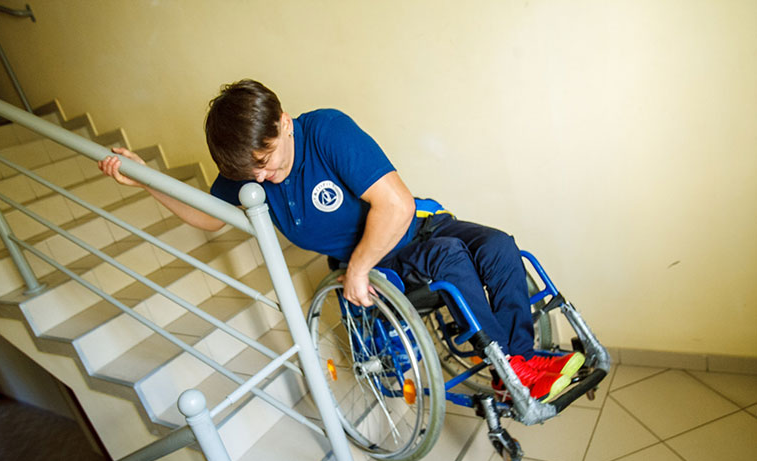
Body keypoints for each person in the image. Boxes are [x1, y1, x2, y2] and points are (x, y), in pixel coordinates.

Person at [99, 79, 584, 402]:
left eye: (265, 160)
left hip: (412, 227)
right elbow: (209, 219)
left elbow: (396, 206)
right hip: (389, 260)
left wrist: (356, 268)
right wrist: (146, 180)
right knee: (452, 258)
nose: (262, 179)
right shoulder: (249, 176)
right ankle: (512, 368)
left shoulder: (325, 130)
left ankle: (518, 360)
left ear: (284, 121)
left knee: (498, 243)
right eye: (250, 172)